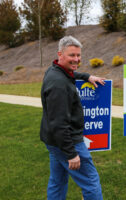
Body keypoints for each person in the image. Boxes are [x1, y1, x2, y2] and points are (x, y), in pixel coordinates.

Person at [40, 35, 104, 200]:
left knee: (58, 181)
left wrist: (86, 76)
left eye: (78, 55)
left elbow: (70, 74)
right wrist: (71, 153)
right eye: (72, 55)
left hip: (53, 141)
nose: (76, 59)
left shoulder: (55, 71)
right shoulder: (58, 85)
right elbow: (59, 123)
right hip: (67, 142)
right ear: (60, 54)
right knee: (91, 182)